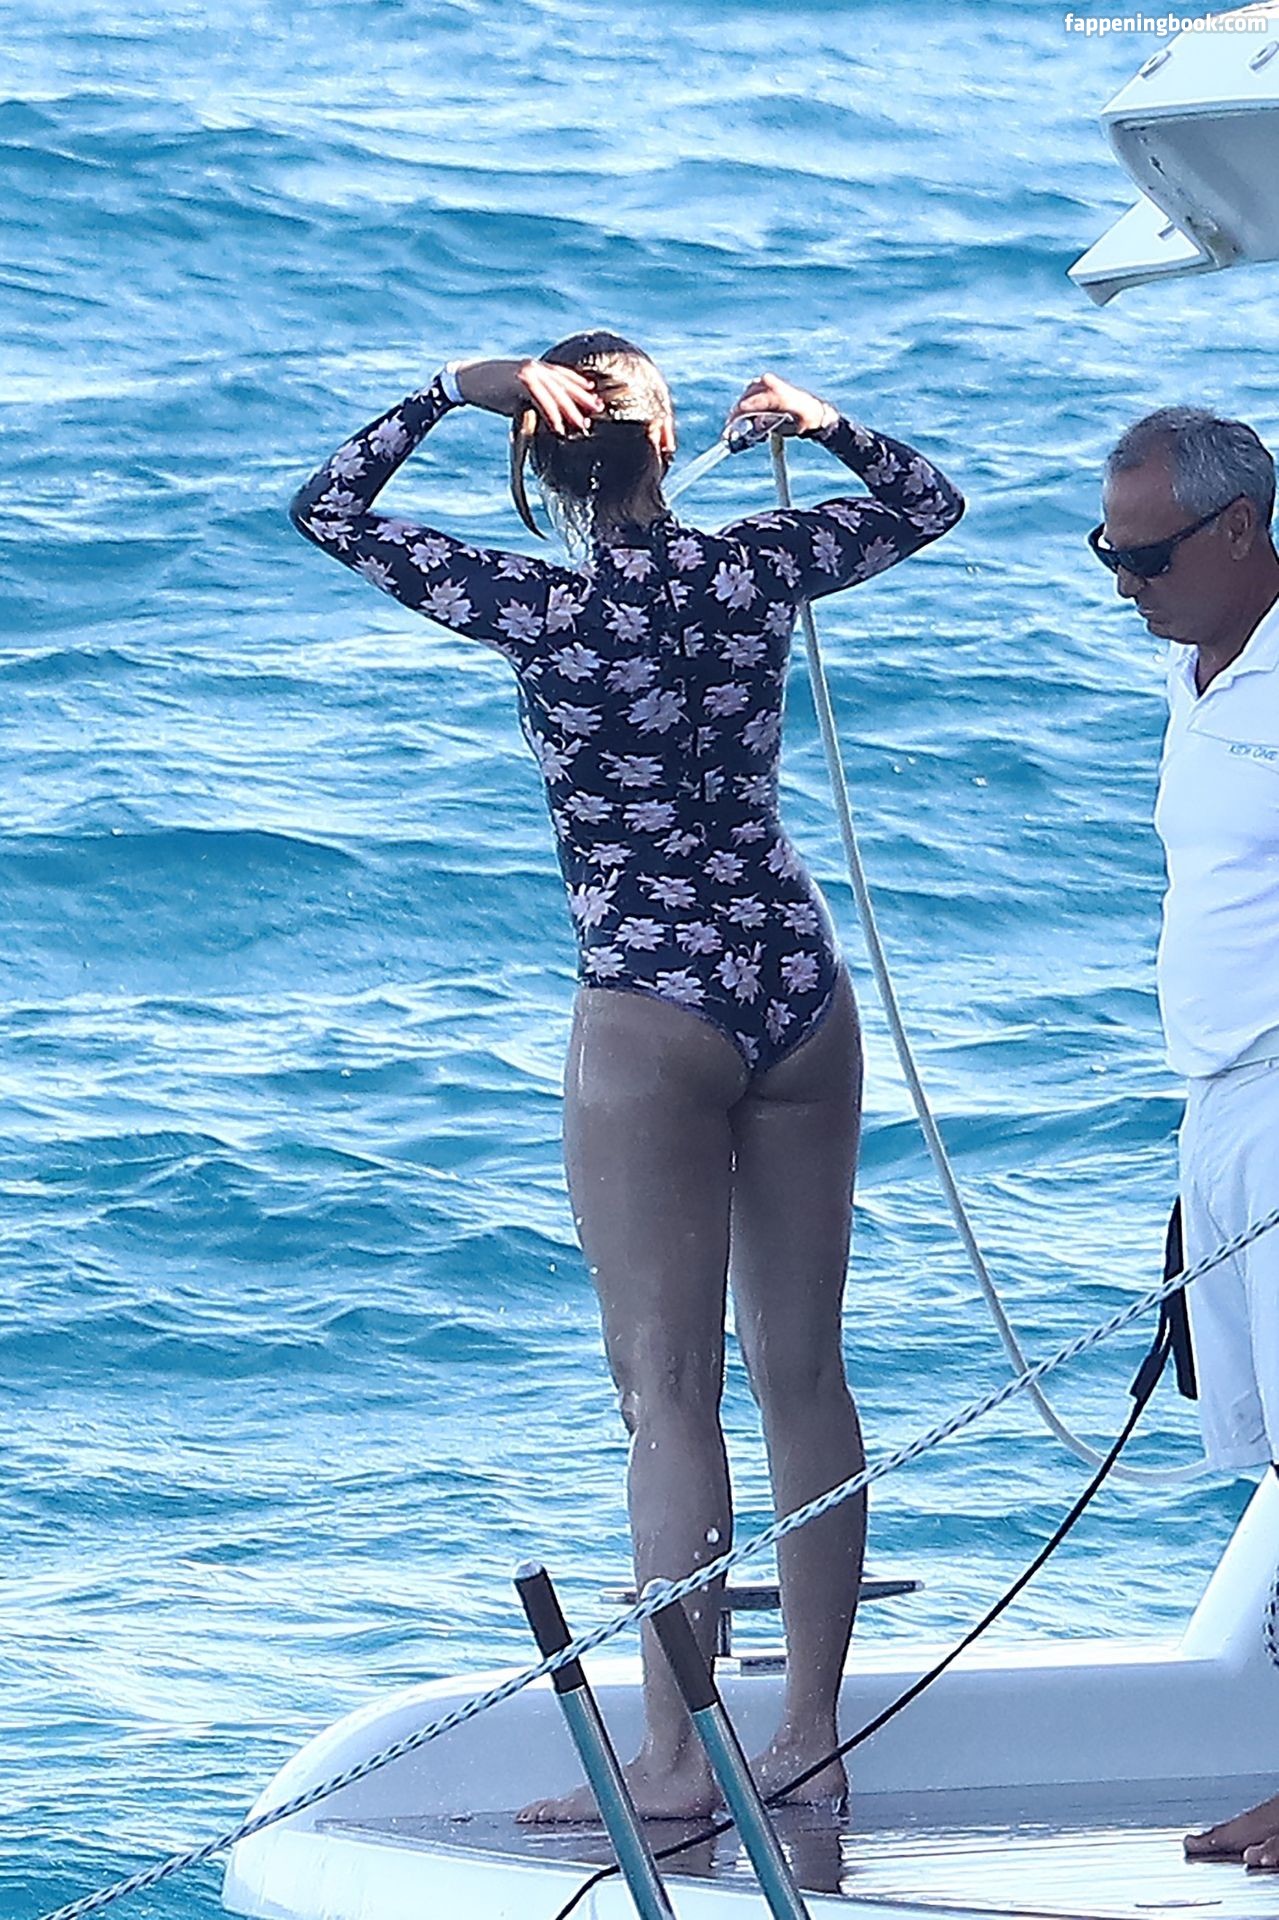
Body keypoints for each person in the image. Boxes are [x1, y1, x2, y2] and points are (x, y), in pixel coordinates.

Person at [291, 332, 964, 1819]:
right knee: (806, 1374)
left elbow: (326, 509)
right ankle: (809, 1741)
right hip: (796, 980)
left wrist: (446, 391)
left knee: (669, 1396)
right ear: (669, 447)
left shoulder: (535, 604)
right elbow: (930, 504)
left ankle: (674, 1760)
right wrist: (824, 422)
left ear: (538, 465)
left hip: (652, 998)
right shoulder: (757, 567)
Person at [1093, 405, 1279, 1874]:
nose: (1126, 584)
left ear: (1239, 530)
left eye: (1149, 558)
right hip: (1220, 1104)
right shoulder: (1196, 671)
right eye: (1107, 552)